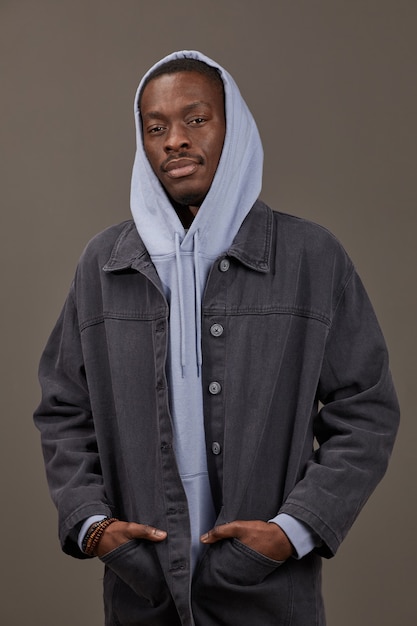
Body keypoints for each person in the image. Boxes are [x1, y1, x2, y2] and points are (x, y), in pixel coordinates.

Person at [34, 50, 400, 626]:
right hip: (142, 588)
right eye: (155, 128)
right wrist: (94, 526)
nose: (174, 141)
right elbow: (62, 409)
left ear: (235, 128)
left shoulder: (311, 258)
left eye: (195, 119)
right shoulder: (103, 264)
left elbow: (367, 409)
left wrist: (293, 531)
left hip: (267, 594)